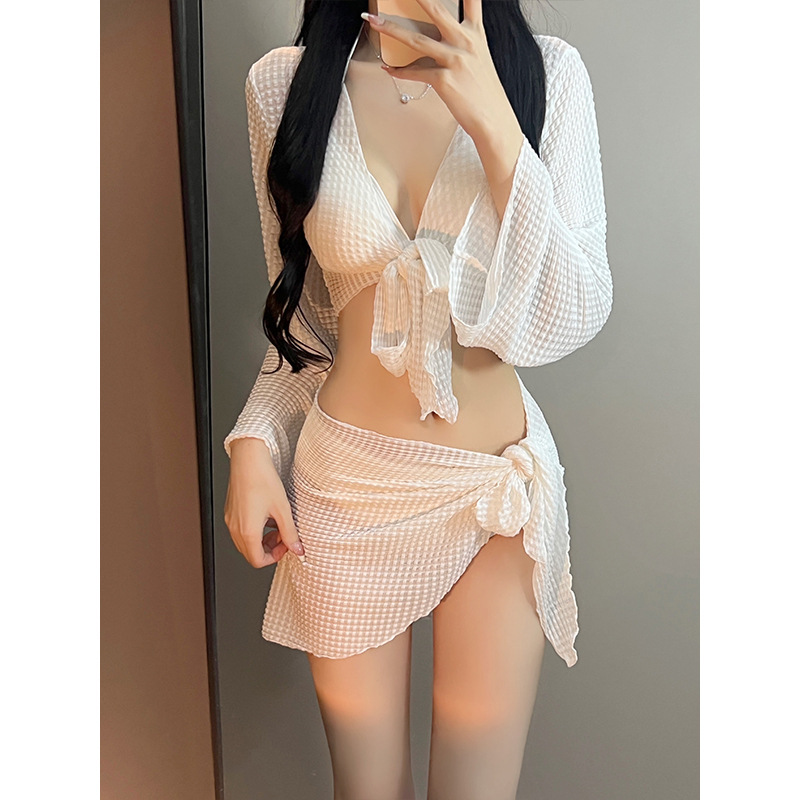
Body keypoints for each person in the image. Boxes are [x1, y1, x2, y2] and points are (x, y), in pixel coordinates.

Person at [224, 1, 612, 797]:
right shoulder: (284, 87)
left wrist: (495, 123)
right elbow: (305, 331)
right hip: (348, 490)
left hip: (494, 496)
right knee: (365, 791)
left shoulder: (549, 75)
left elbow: (574, 308)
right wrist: (254, 444)